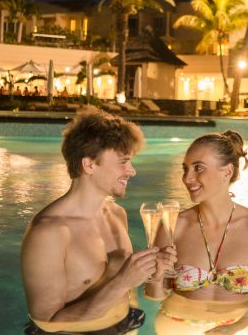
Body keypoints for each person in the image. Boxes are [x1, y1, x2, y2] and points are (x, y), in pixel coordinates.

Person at [21, 108, 176, 334]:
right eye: (123, 162)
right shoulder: (50, 232)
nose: (131, 171)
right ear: (89, 164)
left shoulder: (115, 214)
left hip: (125, 326)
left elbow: (126, 289)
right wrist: (123, 281)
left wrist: (155, 271)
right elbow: (48, 322)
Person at [145, 131, 248, 334]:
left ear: (227, 171)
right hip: (177, 324)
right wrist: (157, 275)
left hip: (237, 327)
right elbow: (155, 296)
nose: (187, 178)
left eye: (198, 168)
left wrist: (235, 328)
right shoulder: (174, 225)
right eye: (185, 169)